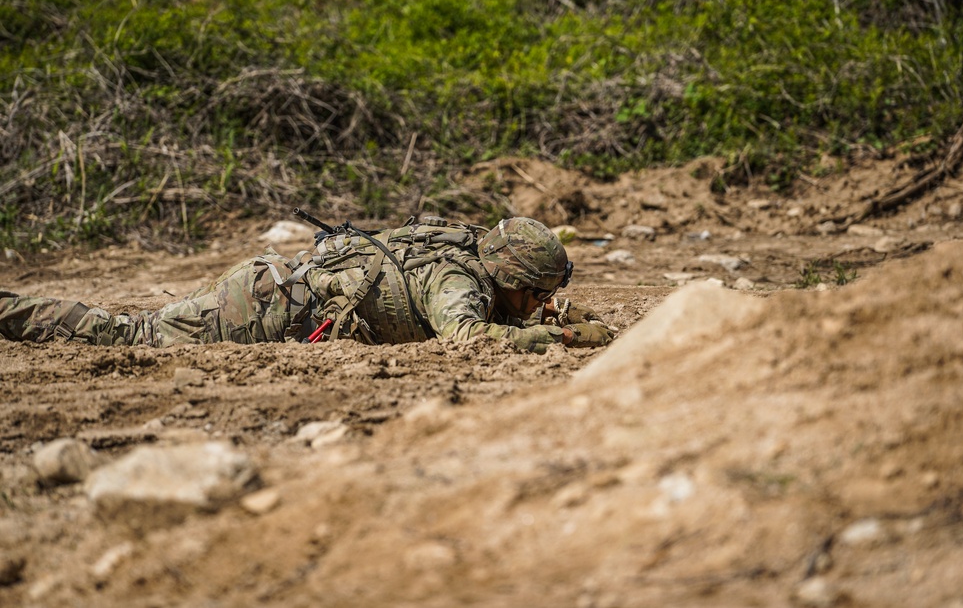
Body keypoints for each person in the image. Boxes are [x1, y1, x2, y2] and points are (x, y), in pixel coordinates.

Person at [0, 216, 615, 354]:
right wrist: (556, 341)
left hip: (280, 291)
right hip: (262, 311)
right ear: (509, 277)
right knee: (126, 335)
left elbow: (519, 314)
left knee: (128, 330)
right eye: (534, 292)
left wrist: (556, 313)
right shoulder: (457, 281)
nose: (539, 303)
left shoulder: (468, 250)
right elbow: (473, 340)